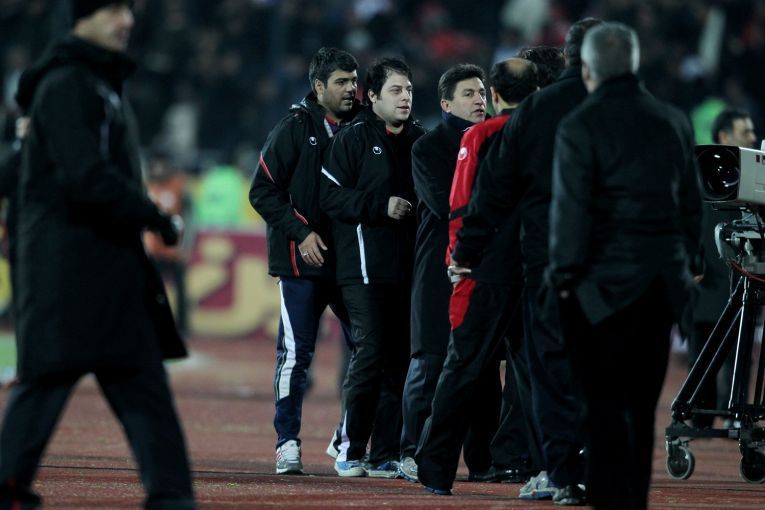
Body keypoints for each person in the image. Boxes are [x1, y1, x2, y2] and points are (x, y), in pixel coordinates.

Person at [0, 1, 196, 508]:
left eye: (127, 10)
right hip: (68, 270)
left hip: (104, 267)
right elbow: (85, 176)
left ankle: (172, 498)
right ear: (80, 18)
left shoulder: (96, 82)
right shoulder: (68, 84)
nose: (126, 20)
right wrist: (155, 218)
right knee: (52, 381)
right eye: (111, 10)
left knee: (138, 383)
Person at [548, 22, 702, 509]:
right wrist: (685, 268)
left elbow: (571, 213)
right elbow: (690, 209)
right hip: (660, 286)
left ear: (587, 69)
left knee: (601, 413)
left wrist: (562, 280)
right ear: (634, 64)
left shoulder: (580, 124)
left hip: (598, 291)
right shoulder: (673, 120)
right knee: (641, 411)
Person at [449, 18, 603, 505]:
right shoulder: (632, 109)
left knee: (550, 370)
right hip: (612, 268)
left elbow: (493, 191)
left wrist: (467, 251)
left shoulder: (537, 111)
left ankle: (561, 473)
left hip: (547, 263)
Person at [415, 57, 539, 495]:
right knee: (537, 372)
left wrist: (460, 256)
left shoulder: (480, 135)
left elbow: (463, 202)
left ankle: (435, 469)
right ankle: (548, 468)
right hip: (537, 271)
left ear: (497, 95)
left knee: (462, 366)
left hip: (487, 270)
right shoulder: (552, 134)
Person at [249, 46, 362, 475]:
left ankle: (348, 439)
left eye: (354, 81)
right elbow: (262, 191)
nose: (351, 89)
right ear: (318, 86)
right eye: (342, 82)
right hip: (301, 263)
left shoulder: (364, 124)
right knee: (296, 355)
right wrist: (301, 233)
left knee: (371, 352)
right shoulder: (294, 127)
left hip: (352, 263)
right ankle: (287, 443)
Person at [321, 57, 425, 477]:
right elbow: (330, 197)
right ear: (373, 97)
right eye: (396, 90)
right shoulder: (353, 138)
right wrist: (380, 206)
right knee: (370, 354)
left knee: (399, 359)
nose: (405, 97)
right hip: (362, 268)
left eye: (409, 90)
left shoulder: (420, 139)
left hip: (407, 268)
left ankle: (384, 453)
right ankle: (349, 448)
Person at [401, 63, 497, 483]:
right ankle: (411, 451)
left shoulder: (496, 141)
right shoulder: (428, 148)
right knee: (430, 361)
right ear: (446, 103)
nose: (479, 100)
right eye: (469, 94)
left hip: (483, 268)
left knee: (484, 368)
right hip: (438, 267)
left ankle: (483, 461)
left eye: (482, 93)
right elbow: (444, 203)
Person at [688, 108, 757, 428]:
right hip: (704, 280)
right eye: (745, 131)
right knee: (702, 352)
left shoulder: (756, 175)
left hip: (741, 278)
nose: (752, 137)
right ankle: (700, 416)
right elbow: (685, 220)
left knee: (739, 351)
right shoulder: (698, 172)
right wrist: (691, 261)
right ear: (724, 136)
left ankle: (734, 413)